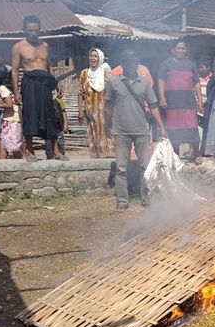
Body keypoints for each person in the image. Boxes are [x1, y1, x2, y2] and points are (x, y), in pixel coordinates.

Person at [105, 49, 167, 211]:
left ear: (137, 63)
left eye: (132, 62)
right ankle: (122, 201)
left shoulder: (145, 83)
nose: (130, 64)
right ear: (122, 63)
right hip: (121, 131)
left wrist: (161, 127)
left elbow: (153, 106)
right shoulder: (113, 82)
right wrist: (107, 125)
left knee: (145, 166)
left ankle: (146, 198)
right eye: (126, 61)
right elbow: (108, 106)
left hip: (141, 130)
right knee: (121, 168)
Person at [11, 15, 67, 161]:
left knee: (50, 115)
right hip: (29, 83)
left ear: (40, 30)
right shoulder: (18, 47)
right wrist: (16, 92)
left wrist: (56, 84)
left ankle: (55, 151)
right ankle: (30, 151)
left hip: (45, 84)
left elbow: (50, 68)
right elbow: (15, 70)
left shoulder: (45, 46)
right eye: (30, 30)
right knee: (30, 116)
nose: (33, 33)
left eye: (36, 30)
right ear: (24, 30)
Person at [157, 40, 203, 162]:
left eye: (183, 48)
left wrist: (199, 100)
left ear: (186, 50)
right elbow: (160, 80)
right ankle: (175, 154)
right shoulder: (165, 64)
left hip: (188, 102)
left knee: (192, 127)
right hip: (172, 102)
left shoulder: (191, 65)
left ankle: (196, 154)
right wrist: (162, 97)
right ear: (173, 50)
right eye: (178, 48)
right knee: (173, 128)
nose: (181, 50)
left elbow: (197, 82)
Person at [77, 48, 114, 158]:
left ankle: (108, 154)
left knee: (106, 130)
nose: (92, 58)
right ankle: (97, 155)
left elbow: (112, 91)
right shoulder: (85, 73)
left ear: (100, 58)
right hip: (90, 111)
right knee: (93, 131)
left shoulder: (105, 71)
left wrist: (111, 109)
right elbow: (80, 93)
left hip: (105, 110)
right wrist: (80, 111)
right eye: (91, 56)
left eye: (95, 56)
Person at [0, 82, 27, 159]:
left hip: (12, 119)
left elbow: (9, 104)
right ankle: (6, 161)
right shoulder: (11, 88)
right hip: (10, 118)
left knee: (15, 142)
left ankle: (21, 158)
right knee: (7, 141)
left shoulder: (3, 88)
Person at [197, 58, 212, 156]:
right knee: (194, 130)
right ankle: (194, 150)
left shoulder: (213, 79)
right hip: (197, 109)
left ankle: (204, 150)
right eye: (199, 68)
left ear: (208, 68)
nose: (200, 70)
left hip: (208, 109)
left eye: (202, 68)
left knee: (207, 130)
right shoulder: (196, 79)